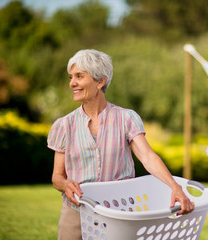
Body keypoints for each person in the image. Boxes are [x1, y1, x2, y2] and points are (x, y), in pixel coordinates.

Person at [48, 49, 194, 240]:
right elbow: (57, 177)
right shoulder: (63, 125)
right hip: (76, 212)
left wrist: (175, 187)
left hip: (119, 212)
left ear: (100, 81)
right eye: (71, 77)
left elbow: (148, 157)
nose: (72, 83)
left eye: (79, 76)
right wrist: (65, 184)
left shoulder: (126, 118)